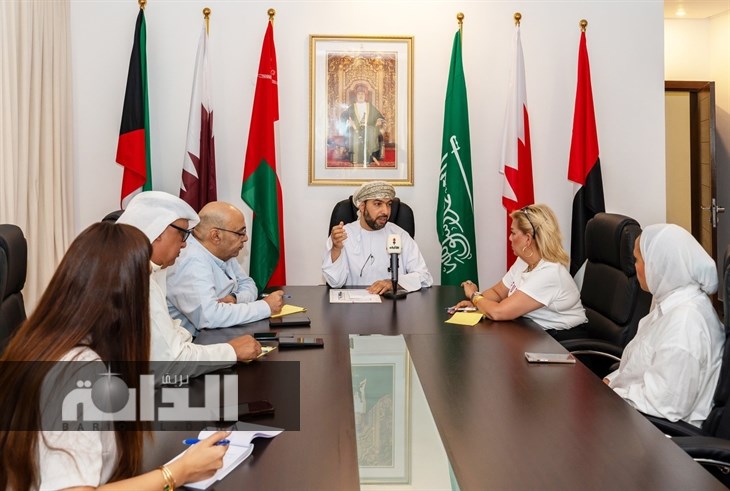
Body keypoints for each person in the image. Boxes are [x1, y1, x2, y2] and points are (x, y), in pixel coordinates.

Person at [0, 222, 230, 490]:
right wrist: (179, 472)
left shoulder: (44, 339)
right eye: (146, 282)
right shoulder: (77, 371)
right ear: (125, 297)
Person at [117, 191, 262, 377]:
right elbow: (171, 363)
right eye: (183, 234)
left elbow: (172, 335)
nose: (185, 244)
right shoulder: (138, 282)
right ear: (159, 232)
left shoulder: (147, 271)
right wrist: (231, 351)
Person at [604, 224, 724, 427]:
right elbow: (641, 368)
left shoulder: (685, 324)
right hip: (634, 412)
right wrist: (612, 382)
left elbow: (663, 406)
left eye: (637, 260)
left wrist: (612, 392)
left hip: (657, 433)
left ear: (658, 265)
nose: (635, 267)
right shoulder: (670, 303)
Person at [456, 204, 587, 335]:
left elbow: (498, 312)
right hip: (534, 330)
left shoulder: (550, 273)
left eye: (513, 233)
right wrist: (476, 304)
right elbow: (498, 292)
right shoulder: (524, 261)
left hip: (561, 339)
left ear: (528, 239)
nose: (510, 238)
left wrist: (474, 296)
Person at [166, 201, 285, 336]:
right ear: (216, 236)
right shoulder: (190, 261)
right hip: (196, 341)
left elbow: (249, 284)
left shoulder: (223, 251)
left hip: (220, 332)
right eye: (240, 233)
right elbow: (209, 317)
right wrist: (265, 307)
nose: (245, 238)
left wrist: (235, 298)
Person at [322, 181, 433, 294]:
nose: (385, 211)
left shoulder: (399, 235)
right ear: (362, 206)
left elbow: (425, 278)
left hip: (392, 303)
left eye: (389, 204)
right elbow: (335, 283)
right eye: (378, 204)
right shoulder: (342, 236)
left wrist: (394, 283)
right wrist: (336, 249)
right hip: (354, 303)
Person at [340, 83, 385, 165]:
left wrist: (379, 120)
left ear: (365, 96)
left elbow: (379, 116)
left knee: (371, 132)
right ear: (356, 96)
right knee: (353, 135)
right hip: (355, 130)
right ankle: (356, 158)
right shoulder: (352, 107)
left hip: (368, 129)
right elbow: (343, 117)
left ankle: (369, 158)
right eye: (359, 94)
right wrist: (348, 123)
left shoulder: (370, 106)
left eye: (362, 94)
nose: (361, 96)